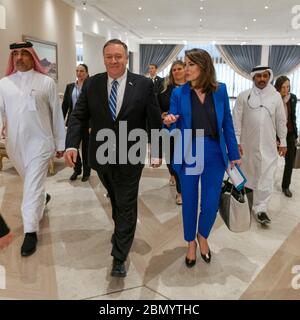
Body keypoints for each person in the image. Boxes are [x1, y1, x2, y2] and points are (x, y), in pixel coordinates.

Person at [65, 39, 162, 277]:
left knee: (126, 201)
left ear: (126, 58)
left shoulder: (142, 84)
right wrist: (71, 145)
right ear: (103, 58)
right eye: (109, 56)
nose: (114, 60)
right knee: (117, 201)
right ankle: (122, 229)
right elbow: (78, 116)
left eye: (118, 56)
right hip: (102, 153)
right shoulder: (92, 83)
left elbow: (154, 118)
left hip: (132, 153)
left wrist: (159, 149)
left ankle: (119, 255)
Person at [163, 49, 240, 267]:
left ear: (204, 67)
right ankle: (190, 243)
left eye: (190, 65)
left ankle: (203, 236)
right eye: (185, 65)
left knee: (210, 203)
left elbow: (227, 124)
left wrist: (233, 154)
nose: (185, 69)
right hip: (188, 152)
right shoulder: (179, 93)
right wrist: (168, 122)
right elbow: (174, 125)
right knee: (189, 202)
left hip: (215, 153)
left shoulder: (220, 90)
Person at [0, 42, 66, 256]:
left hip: (40, 143)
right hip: (15, 146)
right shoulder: (4, 84)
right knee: (32, 183)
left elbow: (57, 115)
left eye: (24, 53)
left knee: (30, 187)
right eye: (15, 54)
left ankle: (30, 231)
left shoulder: (46, 83)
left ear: (32, 56)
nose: (19, 57)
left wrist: (61, 144)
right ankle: (43, 197)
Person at [233, 66, 287, 225]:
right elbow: (236, 120)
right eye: (258, 76)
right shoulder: (244, 96)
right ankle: (242, 202)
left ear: (269, 77)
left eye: (265, 76)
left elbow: (281, 121)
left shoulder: (276, 97)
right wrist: (235, 141)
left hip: (268, 145)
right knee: (246, 173)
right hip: (246, 145)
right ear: (253, 78)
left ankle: (261, 208)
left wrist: (283, 141)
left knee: (267, 175)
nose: (262, 79)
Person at [158, 60, 186, 205]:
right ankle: (173, 174)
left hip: (186, 132)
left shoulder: (192, 88)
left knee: (180, 162)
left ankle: (180, 192)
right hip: (168, 130)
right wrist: (162, 115)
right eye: (173, 70)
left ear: (185, 70)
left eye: (179, 69)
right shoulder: (165, 88)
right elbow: (155, 105)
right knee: (170, 162)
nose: (176, 72)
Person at [62, 64, 91, 182]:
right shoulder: (70, 87)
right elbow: (65, 105)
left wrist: (92, 125)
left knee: (86, 149)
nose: (79, 73)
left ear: (87, 73)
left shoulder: (91, 86)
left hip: (87, 123)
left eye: (82, 71)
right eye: (77, 71)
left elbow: (95, 107)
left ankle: (87, 172)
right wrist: (61, 121)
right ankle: (77, 169)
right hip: (73, 123)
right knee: (73, 147)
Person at [274, 76, 298, 197]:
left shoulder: (292, 98)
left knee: (289, 162)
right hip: (275, 134)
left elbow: (293, 117)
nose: (286, 90)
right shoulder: (273, 98)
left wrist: (296, 134)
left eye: (288, 86)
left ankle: (285, 186)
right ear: (278, 87)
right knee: (271, 161)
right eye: (283, 87)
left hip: (290, 134)